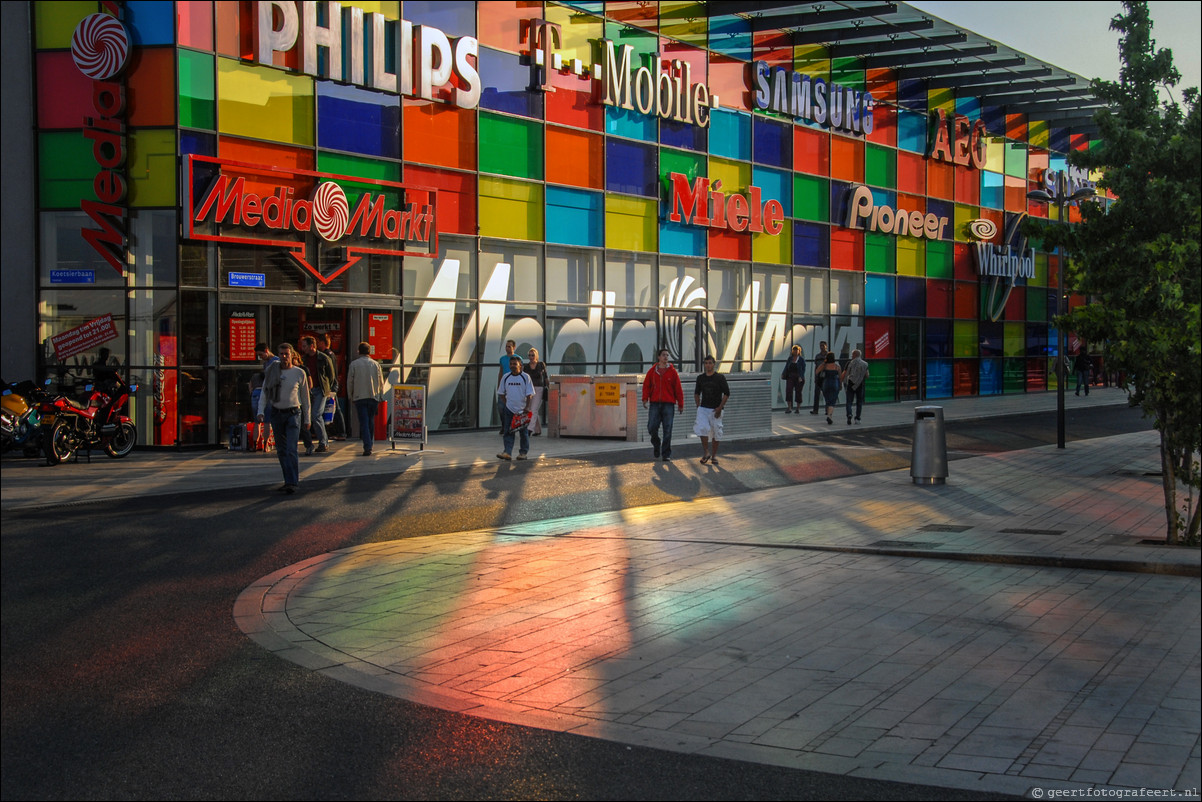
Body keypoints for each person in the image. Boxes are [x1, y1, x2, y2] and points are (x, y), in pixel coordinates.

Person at [256, 342, 311, 495]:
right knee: (281, 450)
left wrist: (307, 419)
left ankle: (293, 482)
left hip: (293, 413)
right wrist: (260, 411)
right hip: (276, 413)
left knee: (291, 449)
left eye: (287, 354)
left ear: (292, 355)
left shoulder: (299, 373)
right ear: (278, 355)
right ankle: (288, 480)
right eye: (281, 354)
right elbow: (264, 393)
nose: (284, 357)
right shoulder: (272, 371)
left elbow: (305, 398)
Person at [641, 347, 685, 462]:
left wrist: (680, 403)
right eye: (664, 355)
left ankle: (666, 453)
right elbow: (646, 386)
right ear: (659, 357)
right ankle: (656, 443)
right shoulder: (652, 371)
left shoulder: (672, 372)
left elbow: (678, 388)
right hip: (655, 403)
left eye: (667, 355)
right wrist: (645, 399)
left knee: (668, 429)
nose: (666, 357)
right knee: (651, 427)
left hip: (668, 404)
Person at [298, 335, 336, 454]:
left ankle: (323, 442)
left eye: (305, 346)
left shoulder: (323, 358)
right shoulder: (303, 359)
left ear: (311, 346)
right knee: (307, 416)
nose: (303, 348)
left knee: (316, 415)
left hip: (320, 389)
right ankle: (312, 443)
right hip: (308, 390)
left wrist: (327, 388)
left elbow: (331, 375)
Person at [347, 342, 384, 456]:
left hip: (359, 396)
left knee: (363, 422)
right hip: (373, 396)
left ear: (359, 351)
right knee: (370, 420)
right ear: (369, 351)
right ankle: (370, 444)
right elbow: (380, 381)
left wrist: (350, 395)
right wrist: (380, 395)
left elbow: (350, 381)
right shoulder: (376, 364)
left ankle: (367, 446)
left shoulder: (354, 364)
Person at [694, 355, 730, 465]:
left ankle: (714, 456)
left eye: (710, 363)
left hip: (716, 409)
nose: (708, 365)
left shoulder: (720, 378)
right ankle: (706, 452)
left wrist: (720, 407)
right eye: (706, 363)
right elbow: (696, 393)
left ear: (714, 364)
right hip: (704, 408)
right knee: (702, 429)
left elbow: (727, 393)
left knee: (716, 432)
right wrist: (698, 406)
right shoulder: (700, 378)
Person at [496, 356, 534, 461]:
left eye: (515, 364)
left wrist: (527, 407)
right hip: (509, 409)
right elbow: (501, 393)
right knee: (508, 431)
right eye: (511, 364)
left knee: (523, 433)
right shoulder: (506, 377)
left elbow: (530, 394)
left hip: (522, 410)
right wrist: (506, 403)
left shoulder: (525, 377)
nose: (512, 366)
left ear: (520, 366)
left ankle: (523, 453)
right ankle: (507, 452)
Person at [316, 332, 347, 440]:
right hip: (332, 384)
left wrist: (332, 385)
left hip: (330, 385)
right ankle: (336, 431)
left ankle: (341, 432)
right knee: (332, 408)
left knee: (335, 408)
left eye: (318, 342)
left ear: (322, 342)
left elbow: (331, 372)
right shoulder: (330, 354)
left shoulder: (327, 355)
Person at [249, 344, 278, 426]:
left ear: (266, 351)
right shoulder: (266, 363)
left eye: (260, 355)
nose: (260, 357)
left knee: (268, 421)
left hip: (273, 392)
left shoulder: (276, 361)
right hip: (268, 390)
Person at [841, 349, 869, 425]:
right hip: (860, 384)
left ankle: (849, 414)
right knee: (859, 402)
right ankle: (857, 418)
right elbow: (867, 375)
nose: (851, 356)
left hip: (851, 383)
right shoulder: (865, 364)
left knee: (849, 401)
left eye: (852, 354)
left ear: (855, 355)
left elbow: (845, 373)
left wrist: (841, 381)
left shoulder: (850, 363)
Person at [525, 347, 548, 436]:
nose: (531, 357)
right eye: (529, 355)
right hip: (529, 389)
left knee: (533, 409)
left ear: (536, 356)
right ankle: (537, 429)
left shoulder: (541, 365)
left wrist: (549, 387)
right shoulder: (526, 367)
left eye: (533, 355)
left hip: (539, 388)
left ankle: (529, 429)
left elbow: (545, 377)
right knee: (531, 409)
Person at [496, 339, 518, 430]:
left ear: (514, 347)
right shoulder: (502, 359)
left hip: (514, 386)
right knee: (501, 407)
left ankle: (510, 426)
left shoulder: (518, 358)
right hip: (504, 386)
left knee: (512, 407)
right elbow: (501, 372)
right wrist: (499, 385)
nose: (507, 348)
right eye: (506, 346)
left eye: (509, 346)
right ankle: (504, 425)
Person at [817, 352, 841, 425]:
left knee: (827, 399)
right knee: (833, 400)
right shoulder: (837, 366)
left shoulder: (824, 366)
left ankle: (829, 414)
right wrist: (841, 385)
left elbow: (817, 371)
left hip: (826, 383)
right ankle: (829, 416)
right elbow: (840, 377)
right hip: (834, 383)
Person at [780, 344, 805, 413]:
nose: (795, 352)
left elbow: (803, 369)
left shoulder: (801, 360)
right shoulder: (790, 359)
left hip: (798, 377)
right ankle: (789, 407)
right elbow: (786, 366)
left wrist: (801, 377)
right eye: (794, 350)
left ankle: (798, 408)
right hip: (790, 376)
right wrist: (783, 373)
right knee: (788, 390)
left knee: (798, 392)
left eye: (796, 350)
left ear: (799, 351)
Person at [809, 340, 830, 415]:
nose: (821, 347)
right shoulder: (817, 356)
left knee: (826, 394)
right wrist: (815, 377)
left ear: (826, 346)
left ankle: (827, 410)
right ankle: (815, 410)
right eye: (820, 346)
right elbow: (816, 367)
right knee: (816, 394)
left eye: (823, 346)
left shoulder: (829, 355)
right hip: (819, 377)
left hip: (826, 377)